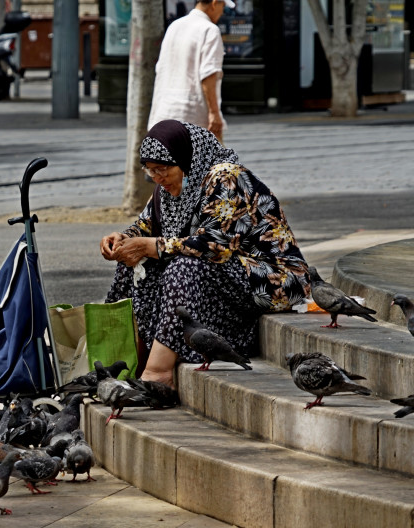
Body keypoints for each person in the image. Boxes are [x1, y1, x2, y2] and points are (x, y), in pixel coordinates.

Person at [100, 120, 310, 388]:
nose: (157, 177)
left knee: (182, 267)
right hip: (225, 278)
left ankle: (158, 374)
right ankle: (127, 364)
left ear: (186, 160)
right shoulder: (165, 190)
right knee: (133, 261)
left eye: (162, 169)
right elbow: (143, 229)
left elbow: (214, 246)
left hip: (274, 279)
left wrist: (150, 245)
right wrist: (122, 241)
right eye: (150, 171)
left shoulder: (225, 177)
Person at [148, 0, 235, 144]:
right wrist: (214, 113)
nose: (222, 12)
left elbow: (161, 69)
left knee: (173, 165)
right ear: (214, 3)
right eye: (223, 7)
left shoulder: (174, 26)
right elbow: (209, 74)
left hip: (165, 114)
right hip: (194, 118)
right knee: (213, 165)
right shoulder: (209, 30)